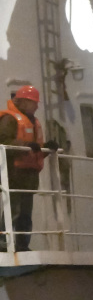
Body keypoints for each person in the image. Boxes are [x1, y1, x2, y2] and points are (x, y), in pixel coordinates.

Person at [0, 83, 57, 251]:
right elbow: (3, 141)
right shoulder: (10, 119)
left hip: (28, 176)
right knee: (13, 210)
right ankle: (3, 244)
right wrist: (25, 145)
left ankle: (23, 245)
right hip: (13, 173)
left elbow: (35, 149)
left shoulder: (33, 121)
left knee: (25, 214)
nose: (37, 105)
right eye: (33, 102)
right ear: (22, 102)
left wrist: (47, 147)